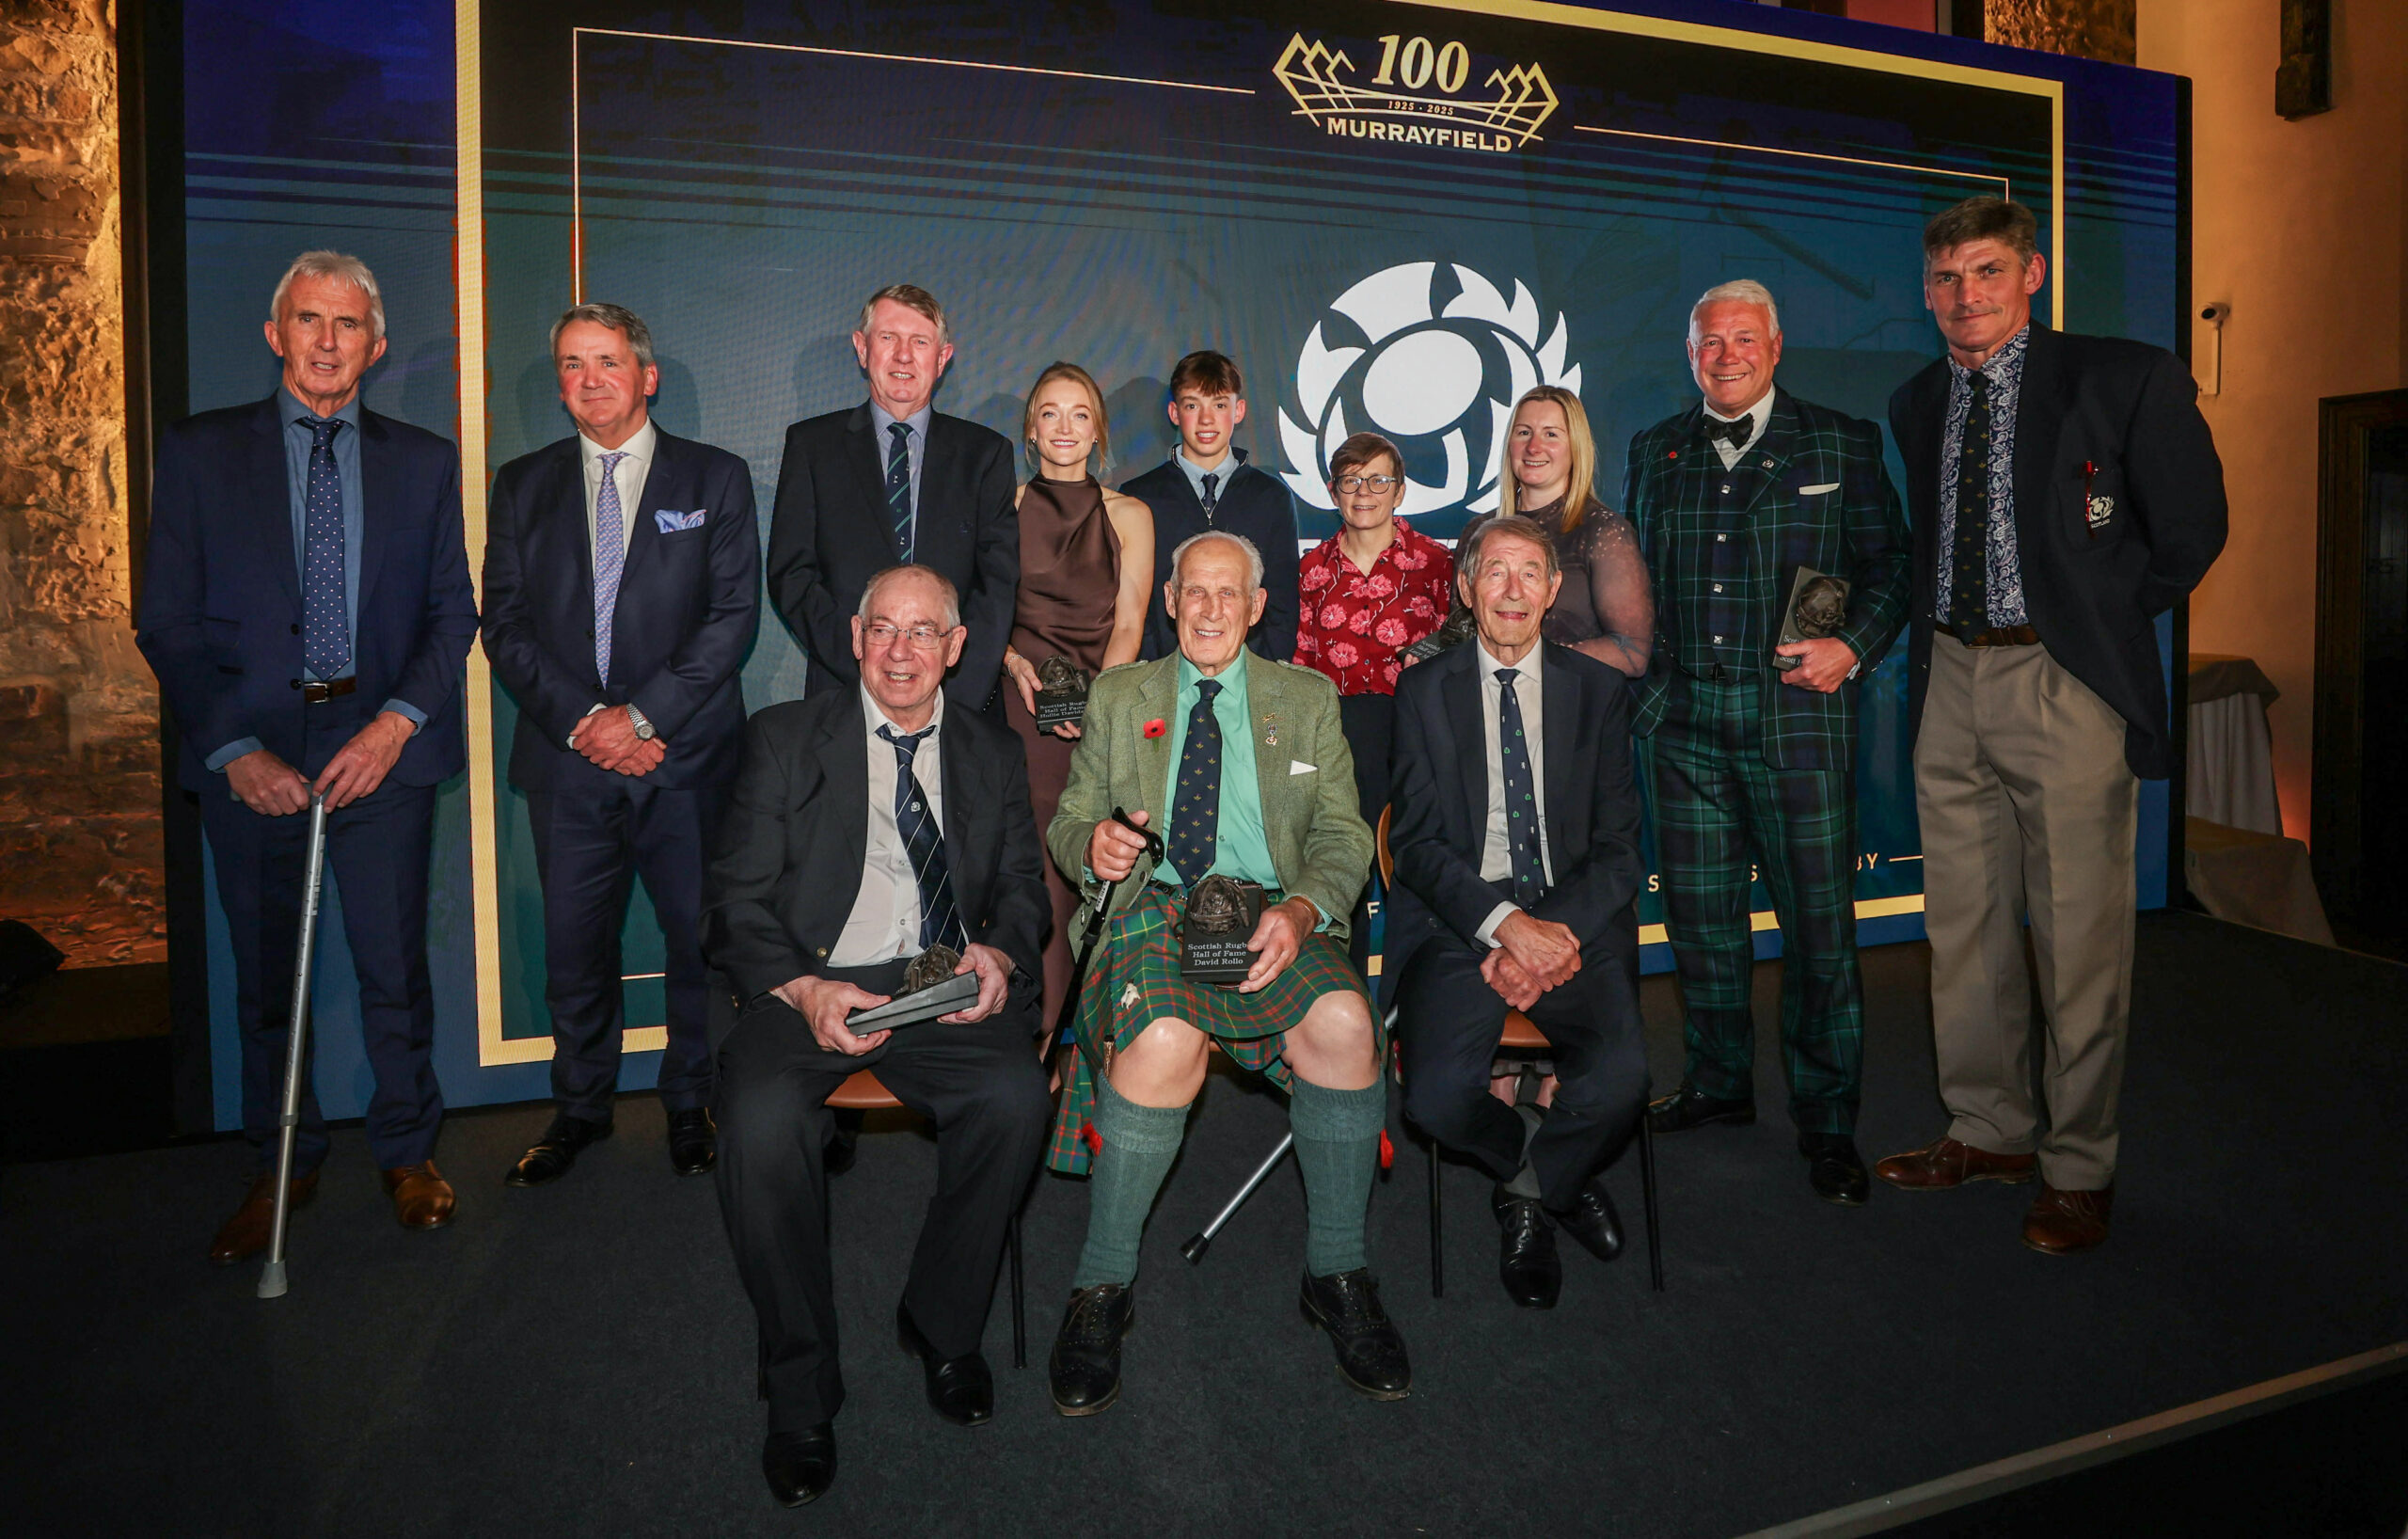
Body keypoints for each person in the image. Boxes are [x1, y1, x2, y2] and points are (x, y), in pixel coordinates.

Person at [1876, 198, 2226, 1254]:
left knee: (2076, 935)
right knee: (1964, 929)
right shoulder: (1917, 398)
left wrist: (2096, 619)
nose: (1963, 298)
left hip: (2060, 681)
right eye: (1944, 279)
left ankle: (2078, 1164)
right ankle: (1988, 1128)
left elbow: (2192, 528)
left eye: (1985, 273)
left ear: (2032, 274)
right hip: (1949, 673)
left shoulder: (2124, 377)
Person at [135, 250, 478, 1261]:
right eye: (309, 319)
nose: (329, 340)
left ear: (374, 345)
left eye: (348, 324)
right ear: (276, 332)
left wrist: (394, 724)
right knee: (268, 980)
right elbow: (167, 623)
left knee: (391, 968)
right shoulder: (200, 454)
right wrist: (235, 750)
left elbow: (450, 611)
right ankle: (282, 1159)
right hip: (253, 757)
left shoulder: (422, 460)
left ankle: (408, 1151)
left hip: (380, 750)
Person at [705, 564, 1053, 1507]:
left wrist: (1000, 959)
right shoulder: (783, 738)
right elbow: (734, 901)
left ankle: (941, 1323)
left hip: (938, 978)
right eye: (884, 630)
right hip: (816, 981)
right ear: (855, 638)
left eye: (923, 632)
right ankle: (800, 1386)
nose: (902, 652)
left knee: (1016, 1100)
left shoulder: (988, 747)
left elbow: (1024, 887)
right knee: (759, 1122)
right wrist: (805, 988)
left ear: (955, 645)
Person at [1043, 531, 1405, 1413]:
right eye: (1193, 592)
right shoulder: (1122, 696)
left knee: (1348, 1025)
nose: (1209, 609)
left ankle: (1337, 1271)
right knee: (1165, 1037)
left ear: (1256, 605)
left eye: (1227, 594)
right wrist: (1093, 845)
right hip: (1152, 910)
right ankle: (1101, 1286)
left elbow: (1344, 834)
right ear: (1169, 601)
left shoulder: (1307, 698)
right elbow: (1070, 819)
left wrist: (1303, 907)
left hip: (1271, 909)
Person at [1626, 279, 1914, 1209]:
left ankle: (1828, 1123)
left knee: (1820, 938)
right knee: (1702, 928)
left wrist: (1851, 646)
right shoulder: (1655, 450)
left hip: (1795, 720)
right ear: (1690, 352)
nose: (1727, 355)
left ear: (1777, 346)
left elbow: (1890, 565)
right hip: (1684, 732)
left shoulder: (1839, 440)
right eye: (1710, 341)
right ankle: (1716, 1085)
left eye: (1744, 339)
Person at [481, 302, 760, 1185]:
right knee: (574, 948)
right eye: (571, 364)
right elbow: (507, 625)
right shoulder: (521, 485)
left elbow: (731, 621)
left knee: (696, 943)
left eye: (607, 361)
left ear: (648, 375)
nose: (589, 378)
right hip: (567, 765)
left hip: (684, 759)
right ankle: (580, 1107)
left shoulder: (715, 479)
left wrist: (639, 721)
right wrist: (587, 726)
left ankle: (693, 1102)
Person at [1384, 515, 1650, 1309]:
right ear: (1466, 589)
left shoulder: (1597, 691)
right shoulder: (1424, 690)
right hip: (1463, 924)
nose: (1511, 590)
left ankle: (1530, 1194)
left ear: (1554, 589)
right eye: (1493, 572)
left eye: (1529, 572)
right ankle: (1550, 1169)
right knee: (1433, 1097)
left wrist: (1550, 934)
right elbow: (1422, 846)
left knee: (1622, 1079)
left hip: (1574, 922)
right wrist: (1505, 928)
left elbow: (1618, 847)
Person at [765, 283, 1018, 710]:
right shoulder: (812, 446)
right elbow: (792, 575)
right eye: (888, 338)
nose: (904, 355)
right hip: (842, 694)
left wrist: (951, 690)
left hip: (955, 702)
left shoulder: (986, 455)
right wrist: (872, 668)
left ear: (942, 358)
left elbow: (997, 586)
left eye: (920, 342)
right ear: (862, 349)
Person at [997, 362, 1156, 1027]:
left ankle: (1093, 1048)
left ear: (1097, 432)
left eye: (1080, 413)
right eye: (1050, 413)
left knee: (1096, 879)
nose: (1065, 427)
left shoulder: (1131, 515)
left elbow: (1130, 622)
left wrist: (1096, 706)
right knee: (1036, 881)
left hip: (1105, 716)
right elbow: (983, 616)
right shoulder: (1000, 507)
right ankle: (1033, 1047)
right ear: (1031, 430)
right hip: (1018, 715)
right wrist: (1010, 662)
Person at [1293, 430, 1455, 976]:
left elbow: (1462, 649)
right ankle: (1346, 1014)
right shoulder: (1310, 572)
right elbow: (1298, 669)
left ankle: (1418, 1016)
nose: (1365, 492)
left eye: (1378, 480)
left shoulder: (1438, 565)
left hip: (1418, 738)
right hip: (1340, 743)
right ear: (1333, 492)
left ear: (1401, 491)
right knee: (1345, 874)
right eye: (1351, 481)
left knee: (1416, 872)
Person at [1454, 386, 1652, 679]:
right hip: (1485, 705)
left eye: (1551, 434)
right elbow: (1457, 630)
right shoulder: (1477, 532)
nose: (1534, 447)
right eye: (1523, 432)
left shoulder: (1604, 532)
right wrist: (1422, 653)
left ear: (1576, 446)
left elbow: (1631, 653)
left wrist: (1531, 665)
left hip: (1570, 708)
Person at [1123, 350, 1301, 663]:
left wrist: (1263, 680)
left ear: (1239, 410)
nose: (1206, 419)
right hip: (1160, 680)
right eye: (1192, 405)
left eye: (1219, 405)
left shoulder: (1271, 496)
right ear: (1174, 413)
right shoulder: (1138, 498)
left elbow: (1282, 607)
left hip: (1248, 679)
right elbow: (1132, 607)